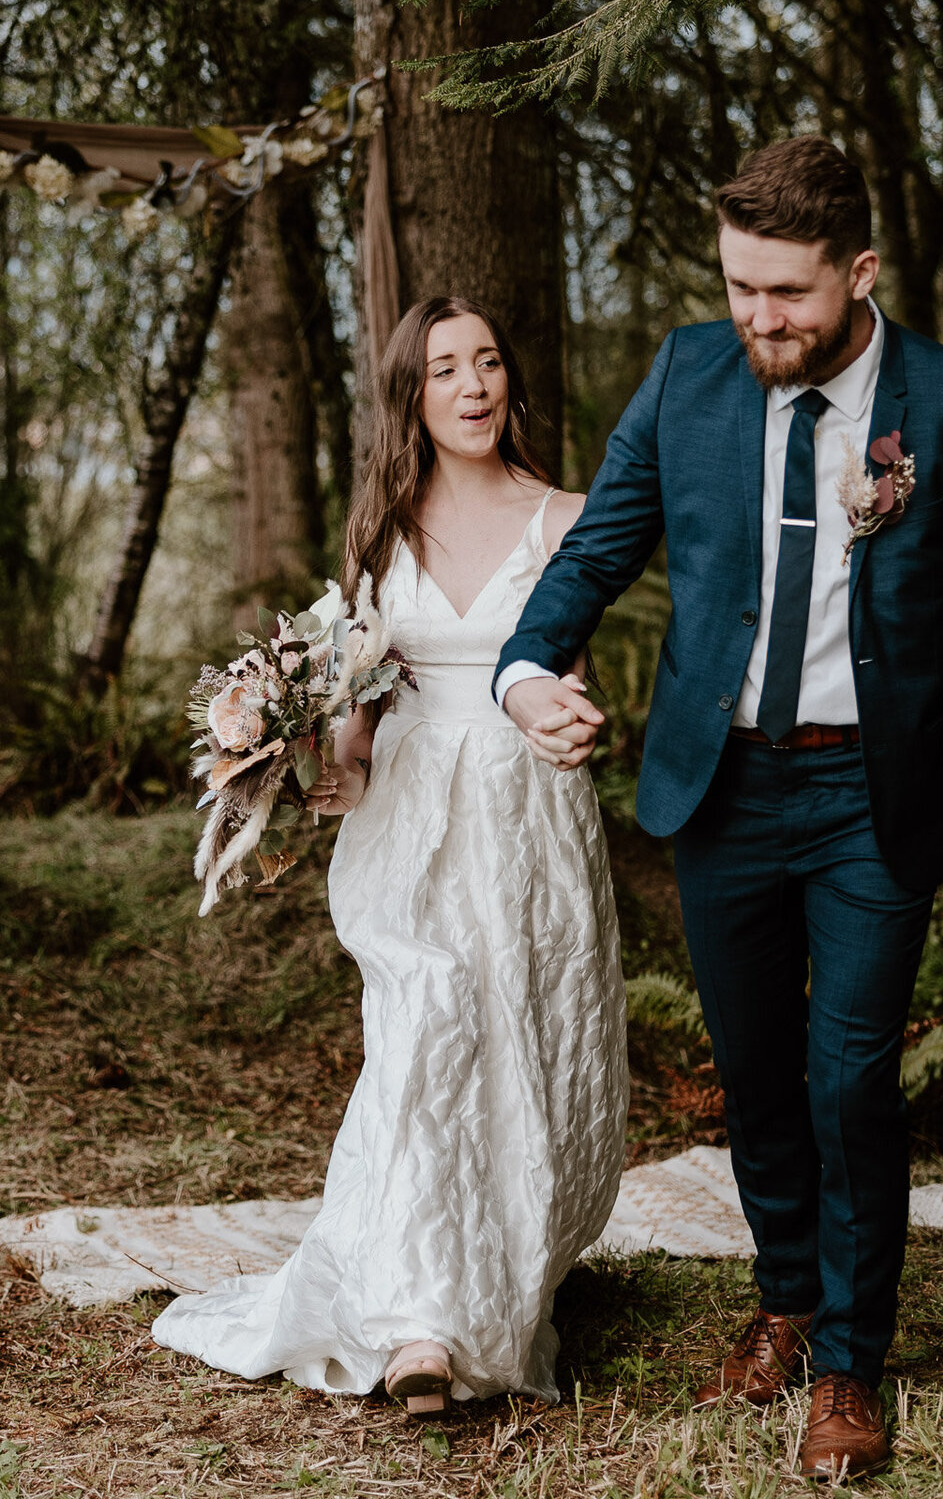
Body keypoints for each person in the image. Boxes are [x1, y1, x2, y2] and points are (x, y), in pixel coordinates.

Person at [496, 137, 943, 1478]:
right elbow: (599, 547)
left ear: (859, 271)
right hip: (723, 788)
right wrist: (525, 669)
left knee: (849, 1076)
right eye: (742, 286)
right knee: (755, 1072)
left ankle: (851, 1368)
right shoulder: (690, 376)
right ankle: (790, 1300)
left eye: (789, 294)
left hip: (879, 794)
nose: (760, 318)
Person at [153, 297, 628, 1414]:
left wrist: (569, 713)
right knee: (424, 1029)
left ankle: (507, 1275)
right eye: (445, 370)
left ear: (510, 381)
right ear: (411, 395)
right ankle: (418, 1325)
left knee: (521, 1041)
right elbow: (364, 705)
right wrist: (335, 768)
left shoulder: (569, 518)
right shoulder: (381, 533)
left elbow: (566, 670)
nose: (473, 386)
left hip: (526, 814)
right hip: (409, 821)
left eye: (490, 362)